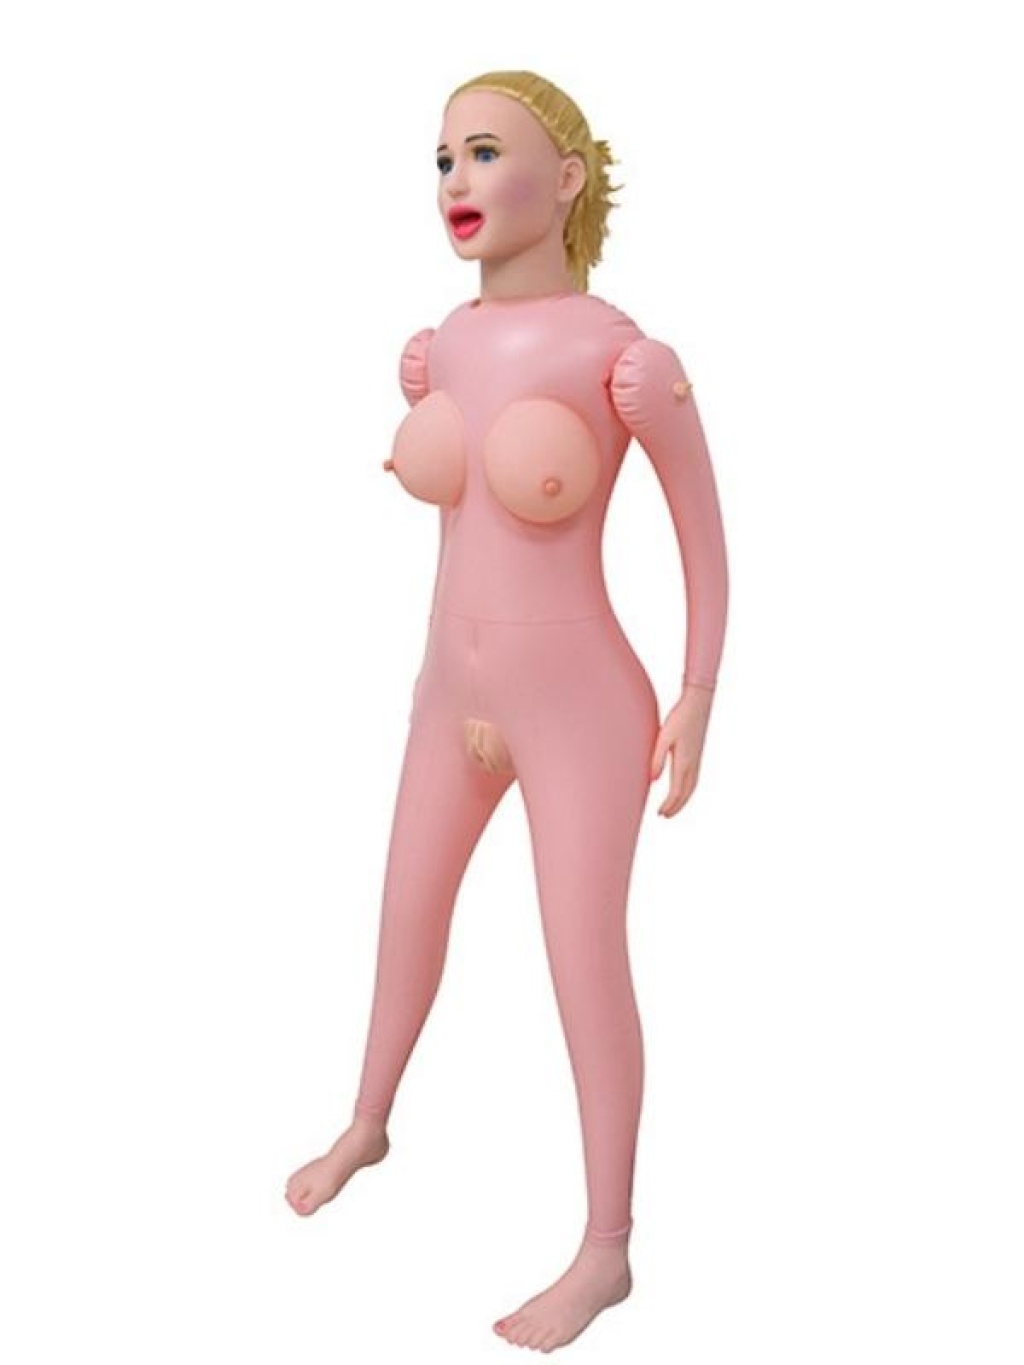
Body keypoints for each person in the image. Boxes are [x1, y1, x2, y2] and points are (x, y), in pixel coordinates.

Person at [284, 69, 729, 1353]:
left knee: (579, 957)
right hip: (451, 693)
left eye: (484, 152)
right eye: (442, 160)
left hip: (580, 705)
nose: (456, 182)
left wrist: (698, 693)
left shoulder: (624, 358)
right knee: (403, 909)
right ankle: (368, 1122)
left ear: (569, 180)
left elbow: (704, 538)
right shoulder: (444, 343)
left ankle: (606, 1250)